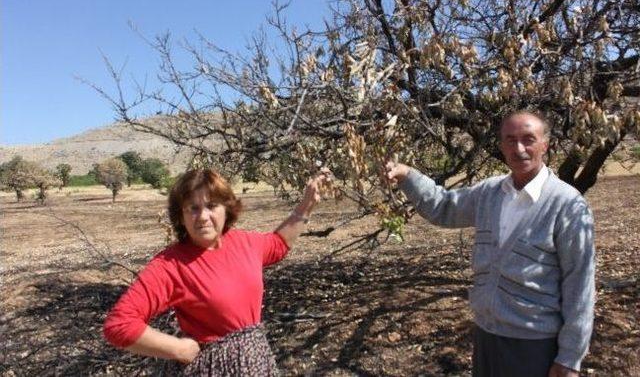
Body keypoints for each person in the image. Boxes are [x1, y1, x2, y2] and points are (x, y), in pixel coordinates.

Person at [385, 111, 595, 377]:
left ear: (546, 144)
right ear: (501, 146)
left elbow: (580, 284)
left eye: (528, 139)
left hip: (534, 344)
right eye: (510, 140)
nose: (519, 148)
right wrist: (406, 175)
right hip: (486, 335)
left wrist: (569, 358)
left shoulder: (568, 205)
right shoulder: (490, 192)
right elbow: (444, 207)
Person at [103, 168, 330, 375]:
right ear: (181, 216)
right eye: (193, 208)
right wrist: (178, 349)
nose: (203, 217)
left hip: (256, 363)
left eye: (211, 206)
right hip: (211, 368)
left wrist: (306, 205)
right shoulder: (170, 265)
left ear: (227, 209)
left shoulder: (245, 242)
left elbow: (278, 244)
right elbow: (119, 325)